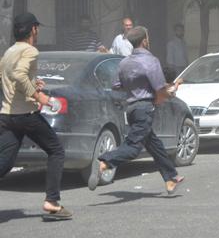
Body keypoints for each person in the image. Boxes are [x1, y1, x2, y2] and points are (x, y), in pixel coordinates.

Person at [87, 26, 185, 193]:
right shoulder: (151, 61)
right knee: (133, 147)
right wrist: (174, 87)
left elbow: (117, 85)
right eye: (148, 37)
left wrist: (134, 86)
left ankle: (171, 178)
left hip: (131, 108)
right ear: (144, 41)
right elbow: (160, 89)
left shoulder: (124, 62)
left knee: (154, 144)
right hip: (145, 108)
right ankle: (104, 162)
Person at [0, 13, 72, 220]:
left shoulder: (9, 51)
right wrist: (39, 95)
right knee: (56, 150)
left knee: (4, 163)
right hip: (26, 115)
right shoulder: (30, 50)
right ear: (33, 29)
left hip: (7, 115)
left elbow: (6, 76)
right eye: (37, 28)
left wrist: (33, 82)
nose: (37, 32)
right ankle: (52, 201)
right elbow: (18, 75)